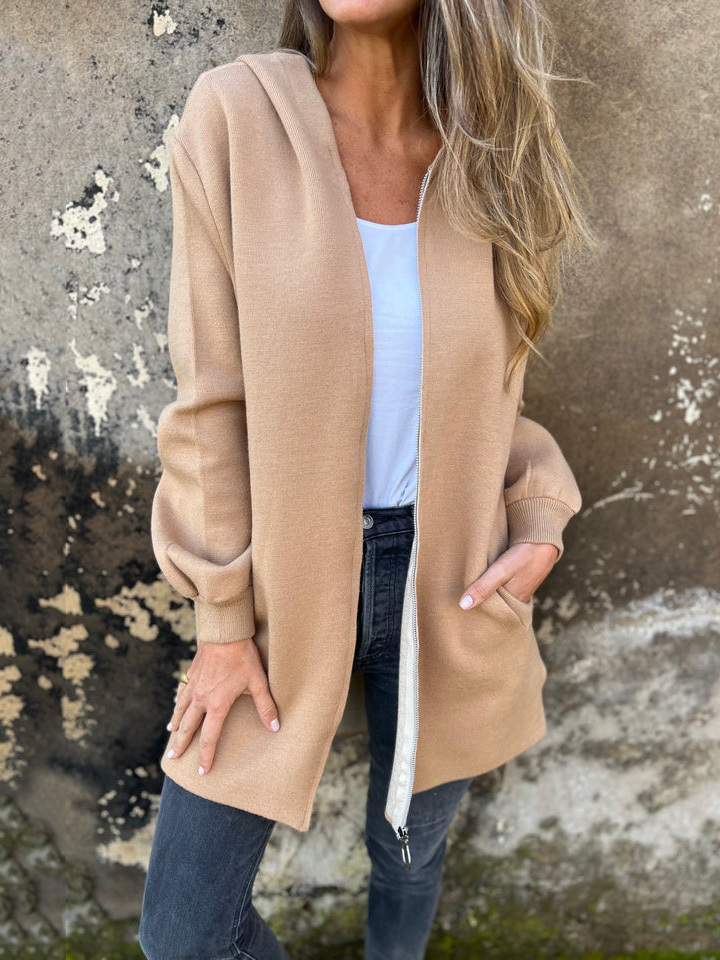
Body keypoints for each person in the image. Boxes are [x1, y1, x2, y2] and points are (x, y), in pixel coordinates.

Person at [139, 0, 593, 957]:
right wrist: (222, 621)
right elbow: (210, 403)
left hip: (451, 582)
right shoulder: (238, 117)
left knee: (408, 857)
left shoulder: (493, 153)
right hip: (282, 584)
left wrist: (539, 517)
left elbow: (489, 402)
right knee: (184, 934)